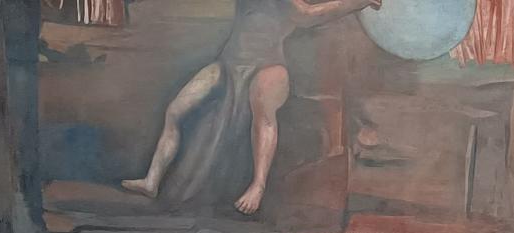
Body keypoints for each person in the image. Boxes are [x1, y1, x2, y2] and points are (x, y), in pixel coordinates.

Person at [121, 0, 381, 214]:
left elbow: (307, 15)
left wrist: (358, 2)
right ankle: (152, 181)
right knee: (176, 110)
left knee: (264, 116)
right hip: (228, 64)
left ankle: (258, 185)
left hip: (268, 65)